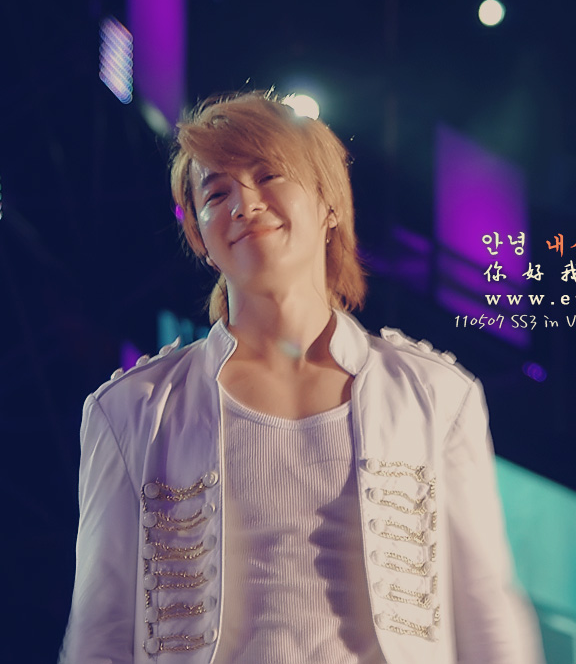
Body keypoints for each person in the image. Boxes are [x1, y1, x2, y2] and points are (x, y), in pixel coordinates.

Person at [59, 91, 543, 663]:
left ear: (328, 202)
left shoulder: (436, 396)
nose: (245, 204)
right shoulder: (130, 411)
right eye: (217, 193)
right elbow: (99, 633)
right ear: (199, 238)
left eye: (268, 175)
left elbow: (488, 614)